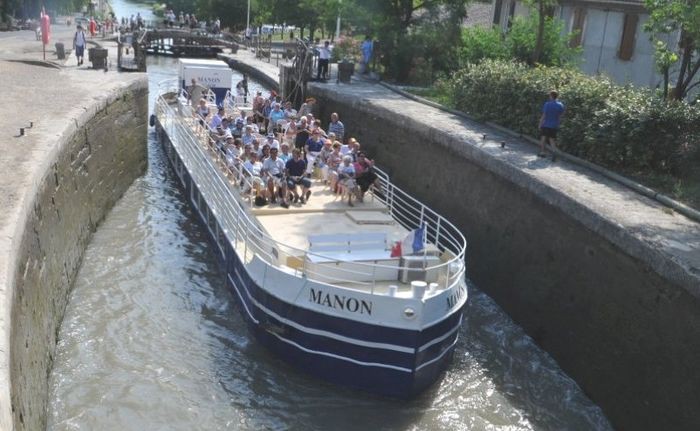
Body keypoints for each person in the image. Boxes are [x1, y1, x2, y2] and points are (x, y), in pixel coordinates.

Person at [538, 90, 565, 161]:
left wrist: (540, 124)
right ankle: (554, 152)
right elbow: (560, 116)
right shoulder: (560, 105)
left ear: (551, 96)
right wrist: (558, 124)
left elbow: (544, 115)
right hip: (554, 125)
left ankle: (542, 152)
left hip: (546, 124)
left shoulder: (547, 104)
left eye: (549, 95)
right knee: (552, 140)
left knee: (543, 138)